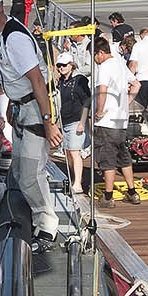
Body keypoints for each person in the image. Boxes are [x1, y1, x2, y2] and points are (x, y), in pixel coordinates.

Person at [0, 0, 61, 242]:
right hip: (23, 104)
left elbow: (38, 81)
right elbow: (13, 76)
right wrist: (12, 102)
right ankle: (36, 215)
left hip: (36, 108)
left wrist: (48, 122)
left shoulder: (15, 38)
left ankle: (47, 226)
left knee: (31, 173)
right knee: (19, 171)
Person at [91, 35, 142, 205]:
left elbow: (102, 91)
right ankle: (132, 192)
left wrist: (99, 112)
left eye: (94, 55)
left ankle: (108, 196)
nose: (94, 60)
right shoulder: (120, 63)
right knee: (123, 156)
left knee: (107, 158)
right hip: (121, 120)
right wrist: (126, 102)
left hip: (107, 121)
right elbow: (137, 85)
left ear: (100, 53)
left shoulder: (104, 67)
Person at [56, 52, 91, 193]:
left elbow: (87, 101)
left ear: (71, 65)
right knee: (68, 152)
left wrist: (83, 122)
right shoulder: (60, 82)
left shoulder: (79, 80)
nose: (61, 68)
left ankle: (77, 184)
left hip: (77, 120)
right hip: (65, 121)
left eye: (64, 65)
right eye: (59, 65)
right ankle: (76, 178)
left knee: (75, 152)